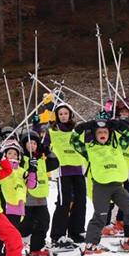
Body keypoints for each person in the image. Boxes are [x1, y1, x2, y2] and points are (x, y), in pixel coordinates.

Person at [72, 118, 129, 254]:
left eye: (105, 131)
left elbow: (128, 134)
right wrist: (81, 128)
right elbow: (74, 141)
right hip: (101, 187)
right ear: (95, 135)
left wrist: (118, 124)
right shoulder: (89, 149)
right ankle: (90, 245)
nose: (102, 134)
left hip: (117, 186)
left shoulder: (117, 147)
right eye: (99, 132)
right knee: (101, 216)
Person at [46, 103, 87, 247]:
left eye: (65, 113)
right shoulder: (52, 131)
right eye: (60, 114)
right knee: (64, 201)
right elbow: (43, 146)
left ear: (70, 114)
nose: (63, 116)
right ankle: (58, 235)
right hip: (63, 170)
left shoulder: (77, 130)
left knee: (81, 200)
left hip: (78, 168)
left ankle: (76, 232)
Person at [0, 143, 30, 256]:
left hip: (19, 208)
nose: (13, 156)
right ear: (5, 155)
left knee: (14, 237)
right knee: (5, 236)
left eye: (15, 154)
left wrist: (33, 171)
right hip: (7, 207)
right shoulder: (2, 169)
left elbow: (32, 184)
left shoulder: (22, 171)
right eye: (9, 153)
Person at [19, 131, 56, 256]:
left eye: (34, 143)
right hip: (27, 197)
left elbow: (55, 163)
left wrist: (48, 151)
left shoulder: (41, 159)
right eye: (29, 143)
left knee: (44, 222)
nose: (32, 145)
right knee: (26, 224)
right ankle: (17, 246)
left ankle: (36, 248)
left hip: (41, 196)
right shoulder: (21, 159)